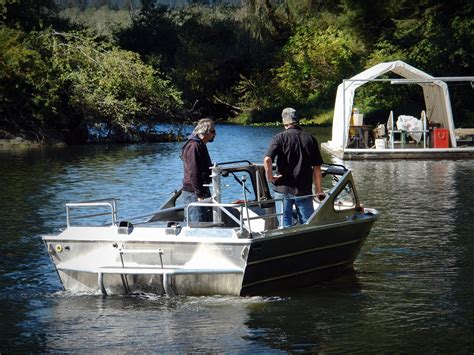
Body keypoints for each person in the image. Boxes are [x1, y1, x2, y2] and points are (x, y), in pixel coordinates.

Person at [264, 107, 325, 228]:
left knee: (284, 226)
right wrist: (318, 190)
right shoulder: (310, 139)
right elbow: (317, 167)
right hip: (303, 190)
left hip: (283, 189)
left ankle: (286, 245)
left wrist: (270, 176)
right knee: (307, 226)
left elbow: (267, 159)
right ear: (297, 120)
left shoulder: (279, 138)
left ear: (284, 122)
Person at [181, 118, 216, 222]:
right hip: (193, 193)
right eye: (213, 132)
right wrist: (199, 195)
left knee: (206, 222)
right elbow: (194, 172)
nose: (215, 134)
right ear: (204, 132)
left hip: (201, 190)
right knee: (198, 224)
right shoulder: (194, 146)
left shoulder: (200, 145)